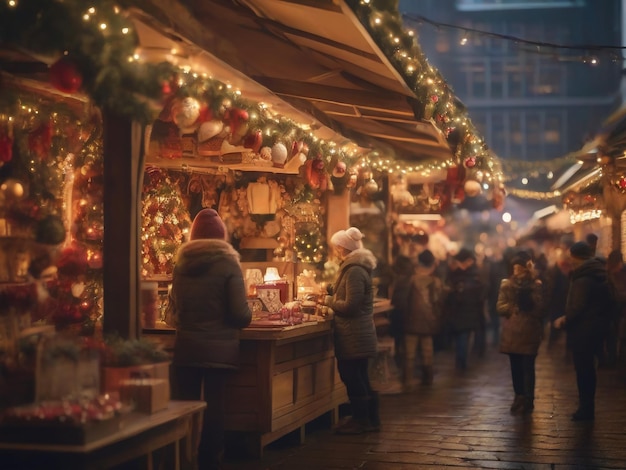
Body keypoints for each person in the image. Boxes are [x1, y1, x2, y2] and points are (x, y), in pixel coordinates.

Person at [168, 208, 252, 469]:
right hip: (219, 350)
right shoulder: (229, 264)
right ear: (221, 236)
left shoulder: (181, 264)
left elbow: (173, 312)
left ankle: (182, 458)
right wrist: (250, 311)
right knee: (214, 406)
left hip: (186, 347)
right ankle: (210, 460)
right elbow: (240, 314)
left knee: (184, 407)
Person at [327, 226, 379, 434]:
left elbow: (350, 306)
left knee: (352, 376)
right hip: (355, 333)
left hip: (354, 333)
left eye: (336, 248)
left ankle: (362, 420)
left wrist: (328, 300)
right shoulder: (353, 268)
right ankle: (371, 419)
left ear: (341, 248)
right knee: (359, 375)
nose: (335, 251)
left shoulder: (355, 270)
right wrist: (331, 289)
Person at [553, 241, 613, 421]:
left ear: (577, 257)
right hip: (596, 328)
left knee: (583, 370)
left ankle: (585, 410)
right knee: (589, 370)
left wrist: (564, 320)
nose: (570, 260)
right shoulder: (600, 272)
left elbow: (576, 306)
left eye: (572, 256)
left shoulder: (583, 277)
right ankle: (588, 407)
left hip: (583, 330)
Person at [496, 250, 545, 414]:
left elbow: (540, 309)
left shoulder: (536, 285)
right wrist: (512, 308)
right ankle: (519, 396)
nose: (516, 271)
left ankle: (529, 398)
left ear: (526, 268)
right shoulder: (507, 285)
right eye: (514, 268)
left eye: (519, 268)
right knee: (515, 366)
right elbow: (500, 306)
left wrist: (530, 303)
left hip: (530, 331)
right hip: (513, 331)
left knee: (528, 366)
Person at [403, 249, 444, 390]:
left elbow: (403, 301)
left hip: (411, 320)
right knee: (427, 352)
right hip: (429, 321)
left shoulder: (411, 280)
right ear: (432, 265)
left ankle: (408, 380)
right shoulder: (436, 282)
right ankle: (428, 379)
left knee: (410, 353)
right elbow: (439, 302)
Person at [443, 248, 486, 371]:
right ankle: (461, 362)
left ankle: (460, 362)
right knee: (462, 338)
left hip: (464, 311)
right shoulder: (472, 274)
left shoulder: (457, 274)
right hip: (465, 311)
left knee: (462, 337)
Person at [606, 249, 626, 365]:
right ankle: (613, 358)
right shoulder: (609, 274)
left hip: (620, 311)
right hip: (613, 310)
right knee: (612, 335)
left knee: (620, 337)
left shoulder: (621, 273)